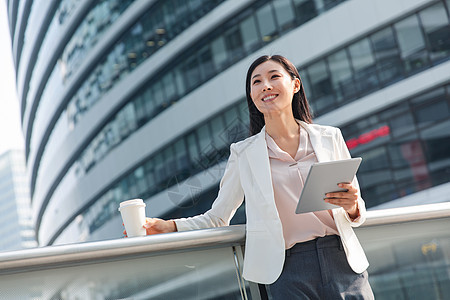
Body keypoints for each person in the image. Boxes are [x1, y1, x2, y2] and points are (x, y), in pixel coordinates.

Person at [124, 55, 374, 299]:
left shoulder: (330, 137)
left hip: (342, 260)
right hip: (287, 270)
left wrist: (352, 206)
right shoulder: (244, 154)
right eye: (256, 82)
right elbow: (217, 217)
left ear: (295, 84)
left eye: (274, 77)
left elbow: (356, 210)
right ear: (252, 97)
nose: (265, 85)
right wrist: (168, 226)